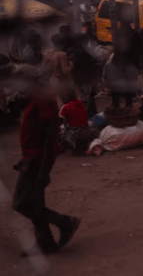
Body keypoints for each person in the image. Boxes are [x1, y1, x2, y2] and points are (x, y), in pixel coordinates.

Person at [12, 77, 81, 256]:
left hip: (36, 161)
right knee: (34, 202)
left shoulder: (43, 100)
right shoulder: (37, 99)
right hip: (32, 159)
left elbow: (50, 138)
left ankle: (65, 222)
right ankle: (46, 243)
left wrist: (43, 170)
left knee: (21, 203)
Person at [58, 87, 94, 154]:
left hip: (75, 135)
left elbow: (59, 120)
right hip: (87, 132)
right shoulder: (80, 103)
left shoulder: (66, 107)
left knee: (59, 129)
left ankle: (66, 145)